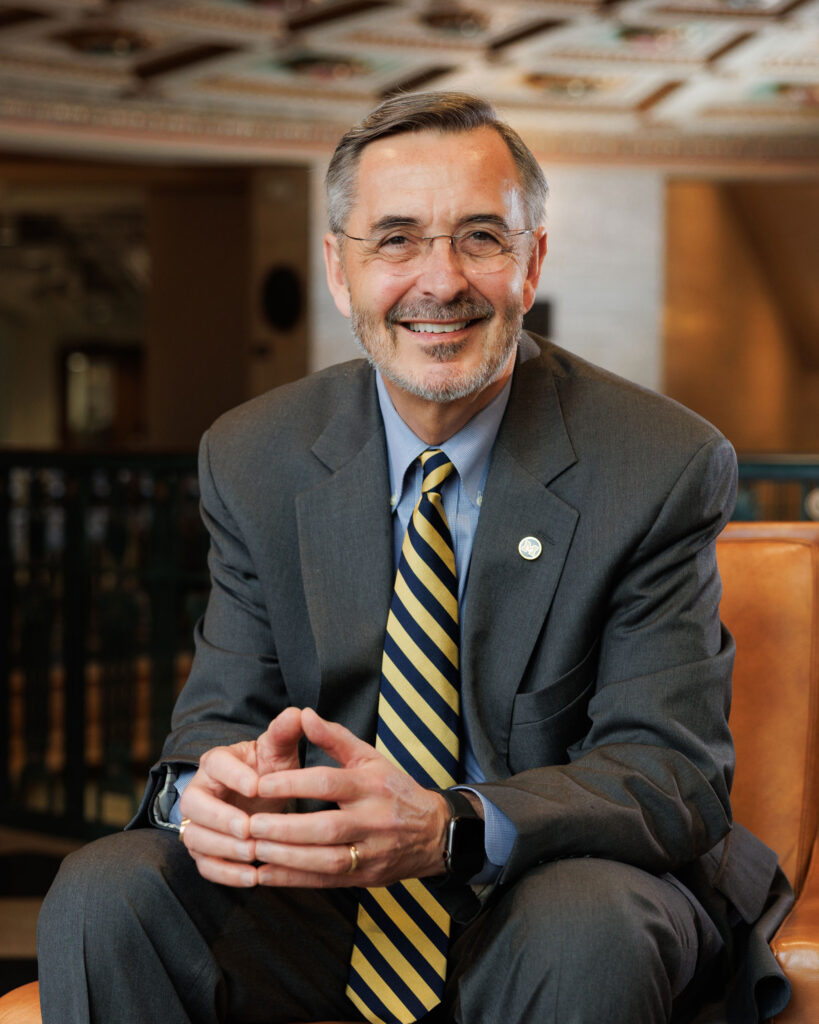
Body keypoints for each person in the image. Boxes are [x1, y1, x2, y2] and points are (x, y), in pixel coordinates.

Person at [38, 91, 792, 1024]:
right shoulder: (254, 455)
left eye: (481, 237)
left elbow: (667, 773)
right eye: (395, 240)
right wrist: (208, 792)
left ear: (531, 262)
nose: (441, 281)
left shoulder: (657, 464)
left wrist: (447, 827)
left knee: (584, 925)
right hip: (326, 897)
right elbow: (219, 721)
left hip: (550, 883)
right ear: (338, 269)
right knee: (105, 892)